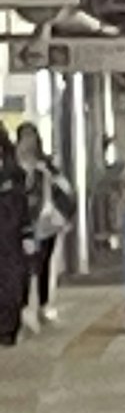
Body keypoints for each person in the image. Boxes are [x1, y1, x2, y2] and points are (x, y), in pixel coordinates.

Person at [15, 128, 69, 323]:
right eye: (24, 138)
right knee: (21, 265)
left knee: (43, 263)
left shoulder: (46, 165)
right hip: (21, 222)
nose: (28, 143)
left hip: (45, 224)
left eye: (31, 138)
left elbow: (64, 188)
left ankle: (44, 304)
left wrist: (47, 175)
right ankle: (20, 305)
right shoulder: (13, 166)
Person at [0, 133, 29, 348]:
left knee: (11, 285)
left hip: (11, 238)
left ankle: (8, 329)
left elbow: (24, 208)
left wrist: (27, 234)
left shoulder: (15, 176)